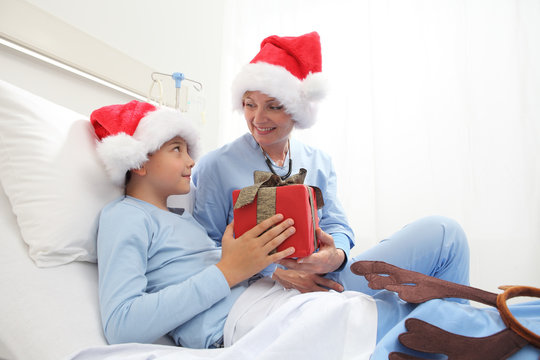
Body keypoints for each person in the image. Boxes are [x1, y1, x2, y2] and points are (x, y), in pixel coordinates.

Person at [91, 100, 539, 359]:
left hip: (280, 292)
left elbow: (338, 225)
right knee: (415, 324)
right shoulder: (125, 217)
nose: (192, 161)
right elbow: (121, 325)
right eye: (176, 148)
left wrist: (312, 256)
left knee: (429, 304)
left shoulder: (180, 222)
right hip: (252, 313)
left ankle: (508, 325)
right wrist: (231, 270)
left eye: (189, 149)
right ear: (139, 158)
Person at [191, 31, 468, 294]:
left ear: (298, 110)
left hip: (328, 277)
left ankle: (455, 334)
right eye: (250, 104)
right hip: (265, 291)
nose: (257, 118)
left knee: (445, 234)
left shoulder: (319, 161)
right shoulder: (216, 165)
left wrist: (334, 258)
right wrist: (275, 272)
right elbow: (202, 248)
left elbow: (338, 225)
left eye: (273, 106)